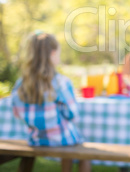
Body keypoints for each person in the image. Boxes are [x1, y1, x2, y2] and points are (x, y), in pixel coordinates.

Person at [11, 31, 91, 172]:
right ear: (53, 54)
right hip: (62, 139)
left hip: (35, 139)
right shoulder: (61, 82)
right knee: (84, 153)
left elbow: (16, 113)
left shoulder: (20, 84)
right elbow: (73, 114)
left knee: (68, 140)